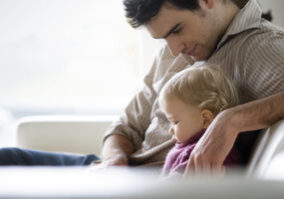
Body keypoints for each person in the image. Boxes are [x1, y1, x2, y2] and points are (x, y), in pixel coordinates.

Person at [0, 0, 283, 175]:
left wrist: (229, 120)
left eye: (176, 30)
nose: (173, 51)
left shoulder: (263, 49)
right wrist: (113, 160)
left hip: (161, 182)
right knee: (7, 159)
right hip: (119, 174)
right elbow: (126, 127)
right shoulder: (175, 51)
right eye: (163, 39)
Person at [159, 65, 240, 177]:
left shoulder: (207, 152)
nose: (170, 130)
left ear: (206, 119)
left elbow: (175, 188)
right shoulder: (189, 147)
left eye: (175, 122)